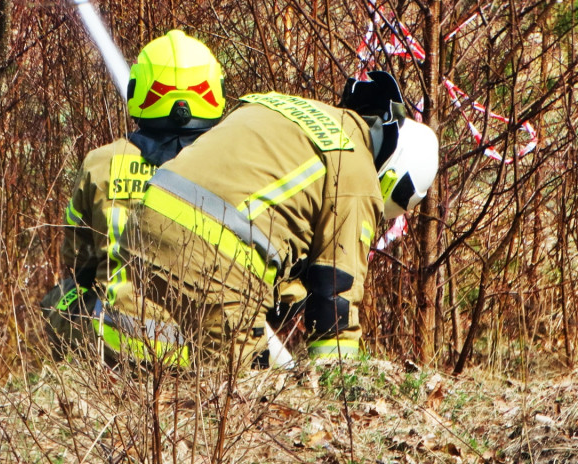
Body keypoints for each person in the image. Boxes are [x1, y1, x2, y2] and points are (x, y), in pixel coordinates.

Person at [100, 71, 439, 369]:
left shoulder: (287, 108)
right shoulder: (357, 169)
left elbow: (258, 205)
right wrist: (339, 383)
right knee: (242, 392)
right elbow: (336, 292)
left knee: (195, 363)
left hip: (140, 236)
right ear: (393, 180)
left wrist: (288, 297)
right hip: (209, 260)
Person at [40, 29, 226, 358]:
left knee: (62, 296)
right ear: (214, 91)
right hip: (217, 346)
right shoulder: (238, 164)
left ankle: (81, 373)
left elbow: (77, 262)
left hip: (125, 344)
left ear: (138, 90)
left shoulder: (102, 163)